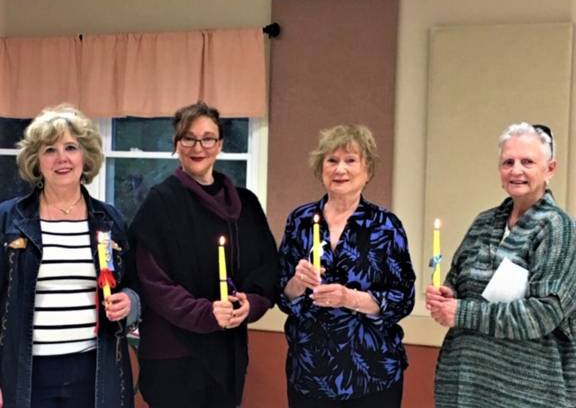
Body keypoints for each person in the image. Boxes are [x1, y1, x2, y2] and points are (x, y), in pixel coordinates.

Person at [130, 101, 278, 408]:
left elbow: (266, 269)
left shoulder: (246, 205)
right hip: (174, 354)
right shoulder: (160, 203)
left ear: (220, 144)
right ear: (176, 144)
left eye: (208, 138)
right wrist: (206, 313)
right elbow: (154, 283)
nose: (199, 147)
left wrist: (249, 304)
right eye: (189, 137)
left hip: (227, 351)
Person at [426, 123, 576, 408]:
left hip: (527, 392)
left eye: (527, 162)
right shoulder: (485, 221)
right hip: (466, 383)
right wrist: (445, 294)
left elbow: (544, 313)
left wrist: (462, 312)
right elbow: (457, 279)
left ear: (550, 169)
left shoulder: (559, 228)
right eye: (508, 162)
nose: (516, 170)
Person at [0, 104, 140, 408]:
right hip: (26, 370)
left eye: (71, 147)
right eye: (50, 149)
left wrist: (130, 300)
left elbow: (134, 284)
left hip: (95, 368)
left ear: (85, 157)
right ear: (36, 160)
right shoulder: (9, 219)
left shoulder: (109, 219)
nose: (61, 158)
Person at [278, 124, 416, 408]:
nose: (340, 169)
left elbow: (404, 298)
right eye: (332, 160)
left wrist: (349, 298)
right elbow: (281, 292)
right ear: (321, 168)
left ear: (367, 171)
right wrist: (296, 283)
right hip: (310, 371)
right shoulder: (300, 220)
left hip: (372, 373)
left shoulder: (386, 226)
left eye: (350, 160)